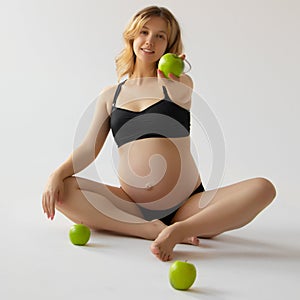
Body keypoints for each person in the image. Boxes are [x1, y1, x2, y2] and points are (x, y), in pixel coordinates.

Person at [42, 6, 276, 262]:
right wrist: (56, 175)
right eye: (144, 32)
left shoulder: (179, 85)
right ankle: (148, 230)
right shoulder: (110, 96)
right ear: (132, 36)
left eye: (160, 36)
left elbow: (182, 94)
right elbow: (88, 149)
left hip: (189, 206)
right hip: (132, 206)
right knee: (63, 191)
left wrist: (171, 84)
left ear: (169, 44)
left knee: (263, 189)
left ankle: (179, 230)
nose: (150, 41)